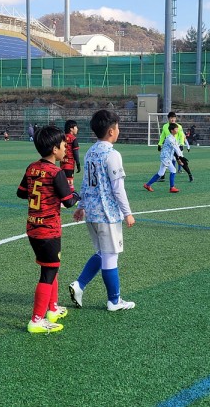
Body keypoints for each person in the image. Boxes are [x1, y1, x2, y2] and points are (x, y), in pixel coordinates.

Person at [69, 109, 136, 312]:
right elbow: (118, 188)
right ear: (111, 131)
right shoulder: (112, 154)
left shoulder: (90, 152)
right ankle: (114, 301)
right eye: (117, 127)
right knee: (110, 255)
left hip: (91, 213)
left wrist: (81, 206)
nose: (119, 130)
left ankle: (79, 285)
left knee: (102, 252)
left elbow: (86, 183)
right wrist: (127, 212)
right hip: (107, 214)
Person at [16, 125, 80, 334]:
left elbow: (21, 193)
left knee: (51, 266)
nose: (66, 149)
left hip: (33, 226)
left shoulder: (32, 167)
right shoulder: (56, 172)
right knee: (49, 270)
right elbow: (68, 202)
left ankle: (52, 309)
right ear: (54, 149)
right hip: (48, 229)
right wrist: (77, 195)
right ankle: (36, 320)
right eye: (63, 145)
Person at [144, 122, 184, 193]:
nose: (177, 130)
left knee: (161, 173)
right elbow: (176, 148)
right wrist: (181, 157)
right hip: (165, 157)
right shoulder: (170, 139)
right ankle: (172, 188)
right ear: (172, 130)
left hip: (166, 157)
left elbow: (176, 148)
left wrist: (181, 157)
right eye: (176, 129)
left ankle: (147, 185)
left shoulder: (173, 138)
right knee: (173, 170)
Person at [157, 111, 193, 182]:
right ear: (168, 118)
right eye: (171, 118)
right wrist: (159, 144)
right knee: (165, 160)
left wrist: (182, 144)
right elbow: (163, 135)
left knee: (181, 161)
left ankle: (190, 175)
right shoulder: (165, 126)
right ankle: (162, 177)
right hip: (168, 148)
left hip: (176, 147)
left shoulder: (178, 126)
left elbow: (182, 136)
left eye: (174, 118)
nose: (173, 119)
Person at [61, 120, 81, 192]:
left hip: (62, 163)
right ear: (71, 129)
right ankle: (70, 196)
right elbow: (75, 153)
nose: (77, 129)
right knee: (70, 182)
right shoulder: (73, 139)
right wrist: (78, 164)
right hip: (69, 164)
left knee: (64, 181)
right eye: (76, 127)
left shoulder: (62, 138)